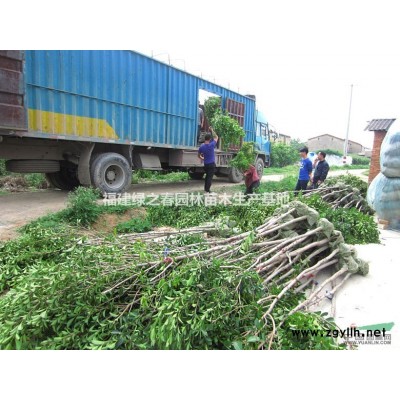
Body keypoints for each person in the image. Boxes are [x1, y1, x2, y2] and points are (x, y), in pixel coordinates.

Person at [198, 127, 218, 194]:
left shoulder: (202, 146)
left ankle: (205, 189)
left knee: (207, 176)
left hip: (206, 164)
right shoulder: (211, 145)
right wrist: (212, 130)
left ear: (205, 139)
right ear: (209, 139)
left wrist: (202, 158)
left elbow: (198, 155)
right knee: (209, 177)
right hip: (211, 164)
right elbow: (216, 137)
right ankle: (207, 190)